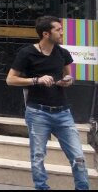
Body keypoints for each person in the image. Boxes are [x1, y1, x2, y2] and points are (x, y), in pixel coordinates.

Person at [6, 15, 89, 190]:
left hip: (63, 112)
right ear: (46, 34)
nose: (62, 33)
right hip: (38, 112)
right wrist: (36, 80)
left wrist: (67, 81)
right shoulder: (27, 53)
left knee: (78, 157)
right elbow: (10, 79)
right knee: (38, 157)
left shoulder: (62, 53)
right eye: (58, 30)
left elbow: (68, 76)